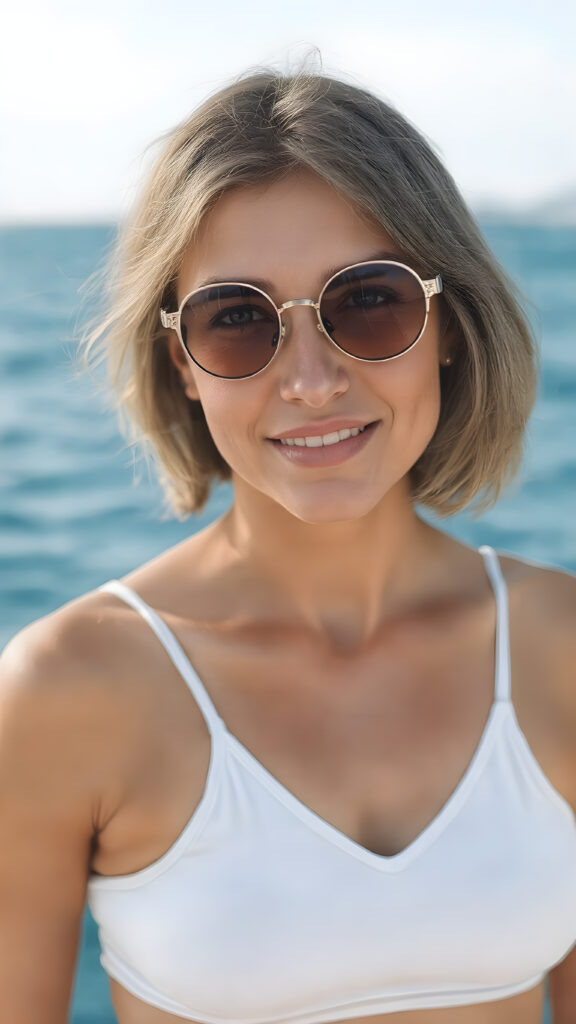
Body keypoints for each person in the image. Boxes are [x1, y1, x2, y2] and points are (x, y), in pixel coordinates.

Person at [1, 66, 575, 1024]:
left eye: (369, 303)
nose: (312, 380)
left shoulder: (564, 647)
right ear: (181, 363)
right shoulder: (68, 688)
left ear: (448, 326)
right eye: (236, 320)